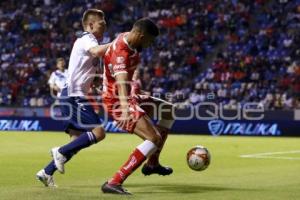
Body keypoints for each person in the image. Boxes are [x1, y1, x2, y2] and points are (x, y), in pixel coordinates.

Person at [36, 9, 110, 187]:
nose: (105, 26)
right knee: (99, 133)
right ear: (91, 25)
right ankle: (59, 151)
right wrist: (118, 43)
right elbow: (97, 51)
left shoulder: (87, 41)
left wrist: (94, 82)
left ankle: (46, 172)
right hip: (74, 95)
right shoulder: (88, 39)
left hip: (69, 94)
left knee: (76, 142)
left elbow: (83, 70)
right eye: (102, 23)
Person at [101, 18, 174, 195]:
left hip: (128, 96)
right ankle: (114, 182)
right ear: (140, 35)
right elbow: (120, 81)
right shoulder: (122, 52)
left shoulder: (129, 39)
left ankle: (152, 164)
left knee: (168, 110)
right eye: (149, 40)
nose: (150, 45)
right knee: (154, 139)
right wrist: (126, 109)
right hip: (118, 101)